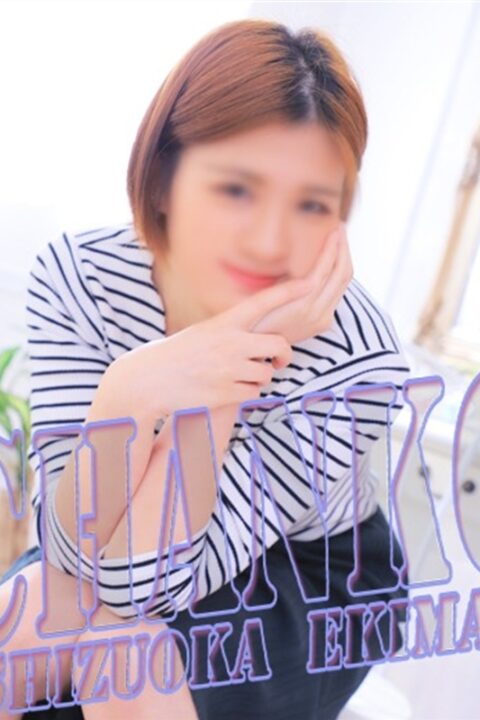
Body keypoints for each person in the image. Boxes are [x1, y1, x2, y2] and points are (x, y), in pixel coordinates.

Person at [0, 17, 411, 720]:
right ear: (164, 180)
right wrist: (129, 390)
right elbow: (70, 551)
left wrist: (233, 361)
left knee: (118, 662)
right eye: (236, 189)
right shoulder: (82, 278)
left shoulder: (357, 361)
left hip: (314, 571)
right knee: (19, 625)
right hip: (139, 535)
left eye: (311, 203)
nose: (269, 241)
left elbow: (139, 591)